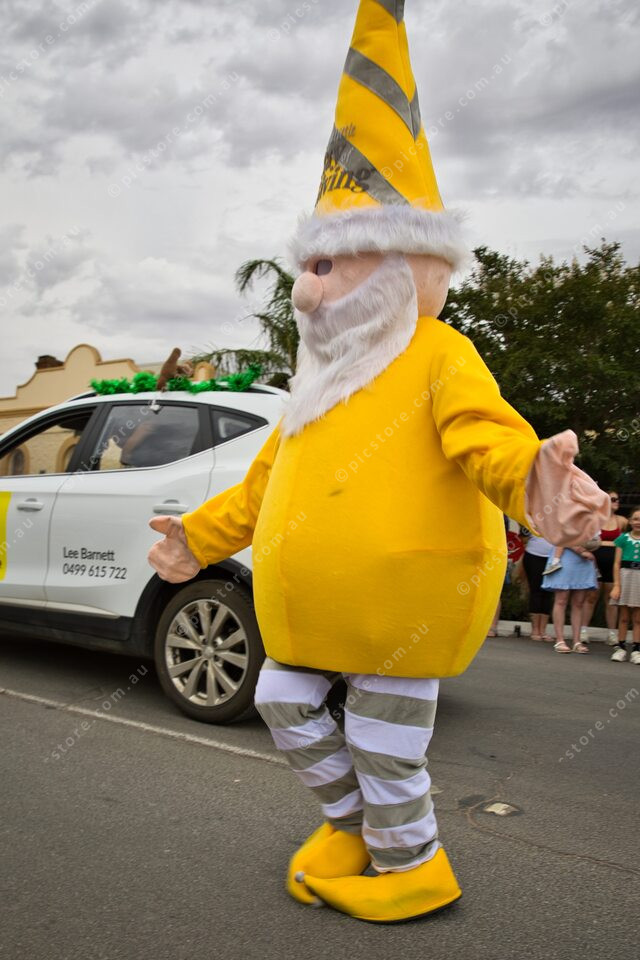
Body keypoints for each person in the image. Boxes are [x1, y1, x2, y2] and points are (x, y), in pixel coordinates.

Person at [148, 0, 608, 924]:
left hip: (408, 601)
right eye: (309, 267)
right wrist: (195, 538)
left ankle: (414, 863)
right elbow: (264, 484)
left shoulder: (438, 354)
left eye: (334, 267)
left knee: (382, 733)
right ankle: (352, 825)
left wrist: (537, 482)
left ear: (407, 264)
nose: (308, 292)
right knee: (281, 694)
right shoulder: (317, 383)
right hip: (312, 612)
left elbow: (486, 438)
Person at [581, 491, 629, 644]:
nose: (617, 501)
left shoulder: (622, 521)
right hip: (595, 562)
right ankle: (583, 630)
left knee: (611, 598)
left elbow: (629, 540)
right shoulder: (595, 519)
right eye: (613, 499)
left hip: (613, 563)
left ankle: (612, 633)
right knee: (591, 596)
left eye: (617, 499)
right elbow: (584, 538)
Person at [542, 544, 598, 653]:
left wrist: (591, 546)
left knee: (579, 603)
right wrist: (580, 550)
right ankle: (560, 640)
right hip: (565, 558)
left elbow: (594, 540)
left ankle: (577, 641)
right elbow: (563, 538)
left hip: (584, 561)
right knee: (561, 600)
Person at [610, 506, 640, 664]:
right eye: (635, 519)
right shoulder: (623, 538)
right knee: (624, 617)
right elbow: (616, 564)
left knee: (638, 618)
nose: (638, 522)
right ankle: (620, 648)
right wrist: (617, 585)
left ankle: (636, 650)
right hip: (625, 577)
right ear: (629, 521)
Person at [522, 532, 554, 640]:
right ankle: (535, 629)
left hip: (553, 557)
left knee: (548, 592)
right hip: (534, 554)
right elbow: (523, 535)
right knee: (536, 591)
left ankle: (543, 630)